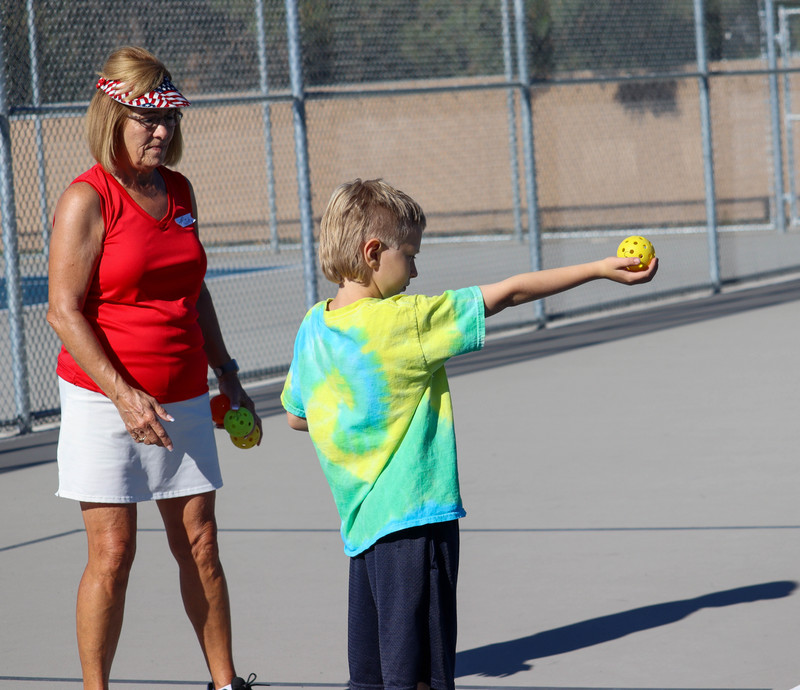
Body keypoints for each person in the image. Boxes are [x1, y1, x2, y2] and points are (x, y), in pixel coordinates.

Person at [280, 178, 658, 690]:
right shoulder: (409, 321)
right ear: (373, 253)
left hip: (361, 533)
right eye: (409, 255)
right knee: (422, 676)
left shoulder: (312, 328)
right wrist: (596, 269)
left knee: (373, 674)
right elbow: (509, 292)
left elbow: (298, 416)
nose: (415, 270)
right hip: (417, 523)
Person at [46, 46, 259, 690]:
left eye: (168, 119)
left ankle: (226, 684)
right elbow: (63, 311)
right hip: (102, 398)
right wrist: (124, 397)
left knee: (200, 545)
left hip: (186, 393)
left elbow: (195, 289)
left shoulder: (181, 190)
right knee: (114, 554)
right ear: (113, 117)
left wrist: (225, 371)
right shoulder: (87, 199)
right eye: (147, 119)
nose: (162, 131)